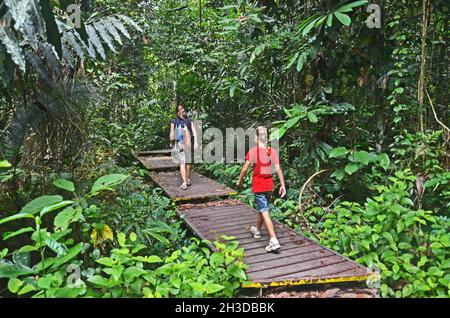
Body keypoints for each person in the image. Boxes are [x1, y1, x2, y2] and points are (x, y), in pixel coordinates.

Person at [236, 126, 286, 252]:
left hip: (259, 186)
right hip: (269, 186)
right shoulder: (271, 151)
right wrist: (282, 185)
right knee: (262, 207)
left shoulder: (254, 151)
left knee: (264, 210)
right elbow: (278, 168)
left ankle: (273, 240)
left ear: (257, 138)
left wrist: (239, 181)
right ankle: (257, 230)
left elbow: (245, 168)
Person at [169, 104, 198, 190]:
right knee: (186, 162)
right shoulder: (188, 120)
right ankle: (187, 180)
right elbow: (194, 131)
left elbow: (171, 133)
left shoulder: (175, 121)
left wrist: (171, 142)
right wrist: (195, 142)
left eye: (183, 108)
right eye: (181, 109)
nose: (182, 110)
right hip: (184, 144)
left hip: (182, 143)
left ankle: (185, 181)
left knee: (184, 162)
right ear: (178, 112)